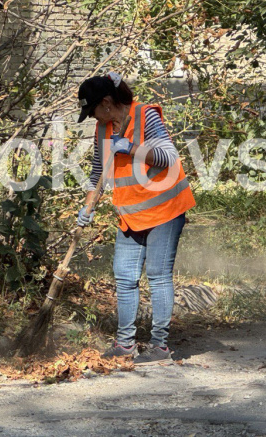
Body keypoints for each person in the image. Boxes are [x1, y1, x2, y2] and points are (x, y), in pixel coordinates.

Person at [76, 71, 196, 364]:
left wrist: (131, 148)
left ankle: (159, 347)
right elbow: (98, 172)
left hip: (164, 210)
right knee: (125, 277)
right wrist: (87, 207)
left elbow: (168, 157)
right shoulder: (103, 130)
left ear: (106, 102)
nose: (93, 118)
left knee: (157, 276)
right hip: (131, 214)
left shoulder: (145, 116)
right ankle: (125, 344)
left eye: (92, 111)